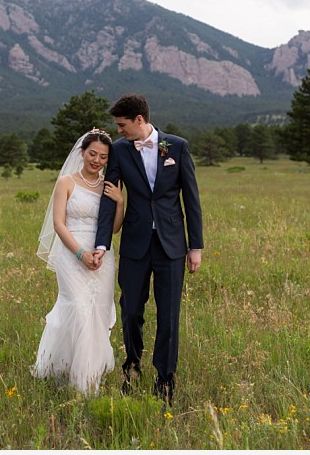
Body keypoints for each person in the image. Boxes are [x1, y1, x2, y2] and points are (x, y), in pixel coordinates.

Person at [94, 94, 203, 406]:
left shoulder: (177, 147)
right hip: (134, 244)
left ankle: (165, 380)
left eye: (122, 125)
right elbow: (108, 198)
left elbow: (191, 200)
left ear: (139, 120)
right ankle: (132, 368)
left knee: (169, 316)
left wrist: (195, 246)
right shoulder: (119, 151)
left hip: (171, 246)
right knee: (130, 311)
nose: (118, 131)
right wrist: (102, 243)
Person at [33, 129, 124, 395]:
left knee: (97, 312)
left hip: (102, 257)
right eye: (92, 154)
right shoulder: (66, 182)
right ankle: (73, 378)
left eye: (103, 157)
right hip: (72, 255)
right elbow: (59, 224)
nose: (96, 160)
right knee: (78, 309)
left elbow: (114, 228)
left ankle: (89, 373)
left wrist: (119, 203)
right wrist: (80, 253)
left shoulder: (109, 185)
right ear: (82, 152)